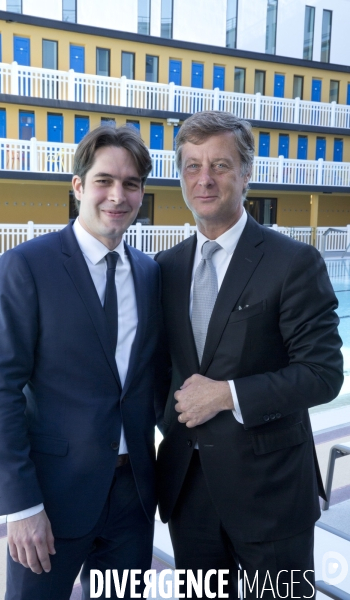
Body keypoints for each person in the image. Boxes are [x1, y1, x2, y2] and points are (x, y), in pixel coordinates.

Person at [155, 111, 343, 599]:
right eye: (192, 166)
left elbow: (322, 374)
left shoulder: (292, 262)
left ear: (246, 172)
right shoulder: (166, 268)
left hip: (272, 496)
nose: (205, 179)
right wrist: (172, 421)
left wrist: (226, 395)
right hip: (189, 493)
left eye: (219, 165)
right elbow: (157, 372)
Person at [0, 125, 164, 600]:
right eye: (104, 180)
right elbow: (0, 391)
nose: (117, 196)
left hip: (132, 499)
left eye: (130, 184)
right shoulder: (27, 266)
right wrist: (21, 507)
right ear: (79, 186)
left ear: (142, 193)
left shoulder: (149, 273)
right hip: (52, 499)